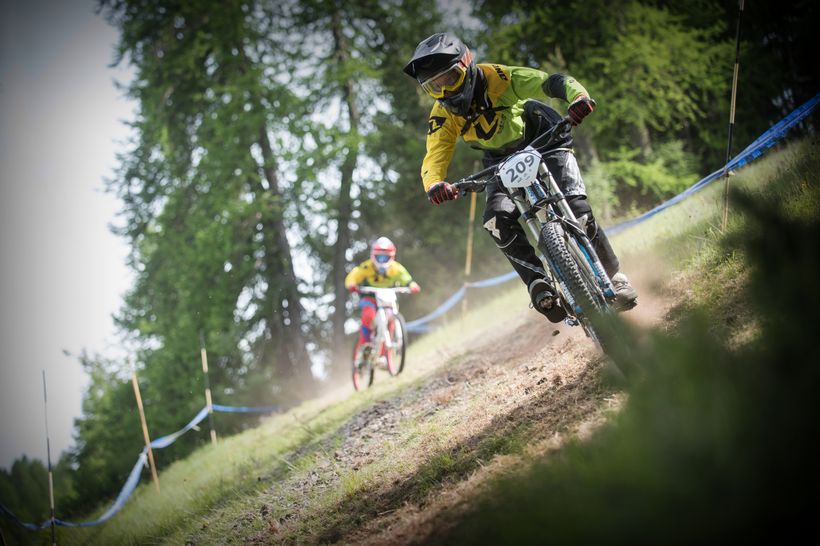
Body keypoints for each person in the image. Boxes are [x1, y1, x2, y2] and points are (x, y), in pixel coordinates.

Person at [403, 32, 637, 322]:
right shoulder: (443, 114)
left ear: (466, 64)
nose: (445, 92)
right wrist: (435, 184)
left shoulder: (498, 77)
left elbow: (549, 82)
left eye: (449, 79)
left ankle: (616, 278)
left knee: (578, 211)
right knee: (495, 220)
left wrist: (578, 97)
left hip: (544, 137)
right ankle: (538, 283)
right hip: (499, 160)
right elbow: (435, 153)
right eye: (433, 87)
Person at [345, 237, 420, 352]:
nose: (382, 260)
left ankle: (385, 351)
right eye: (379, 256)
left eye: (385, 257)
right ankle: (365, 344)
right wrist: (351, 285)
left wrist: (412, 285)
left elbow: (407, 279)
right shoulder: (366, 267)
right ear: (373, 255)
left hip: (387, 300)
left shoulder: (396, 268)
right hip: (370, 298)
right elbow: (353, 276)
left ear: (392, 256)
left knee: (390, 319)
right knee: (368, 316)